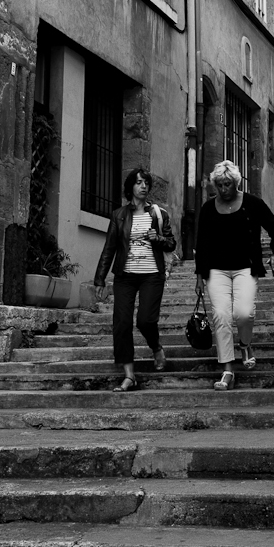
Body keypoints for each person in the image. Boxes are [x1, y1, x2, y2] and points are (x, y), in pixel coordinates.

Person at [194, 160, 274, 391]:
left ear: (236, 183)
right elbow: (202, 243)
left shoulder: (252, 203)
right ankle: (227, 370)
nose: (224, 189)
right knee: (221, 316)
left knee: (244, 313)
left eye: (228, 184)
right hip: (216, 270)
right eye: (220, 185)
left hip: (246, 266)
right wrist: (199, 277)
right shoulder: (208, 208)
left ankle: (245, 344)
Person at [94, 168, 176, 392]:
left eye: (146, 182)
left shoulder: (159, 214)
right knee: (121, 324)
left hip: (152, 275)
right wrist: (100, 279)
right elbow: (109, 248)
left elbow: (171, 243)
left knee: (145, 321)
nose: (143, 186)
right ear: (130, 187)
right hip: (125, 277)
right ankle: (129, 375)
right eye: (139, 182)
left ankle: (156, 347)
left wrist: (157, 238)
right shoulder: (118, 215)